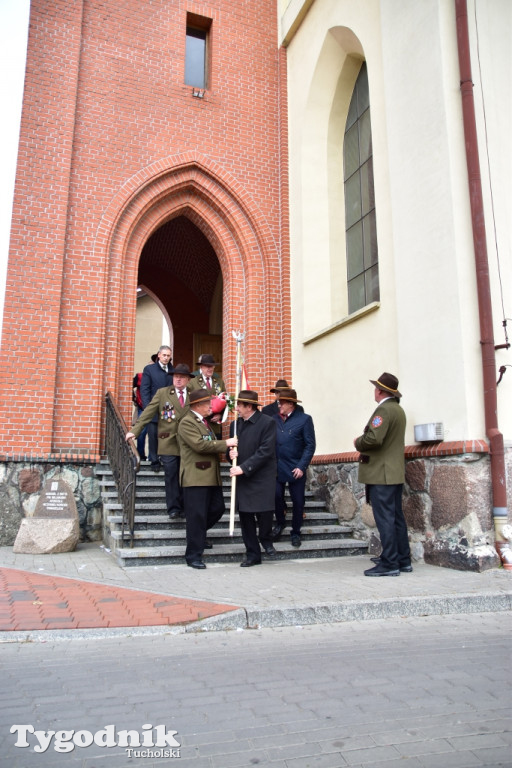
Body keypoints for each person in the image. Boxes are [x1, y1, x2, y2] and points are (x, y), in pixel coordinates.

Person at [353, 372, 412, 577]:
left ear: (380, 390)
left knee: (385, 518)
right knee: (396, 517)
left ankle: (389, 563)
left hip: (381, 473)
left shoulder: (384, 410)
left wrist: (358, 442)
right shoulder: (398, 409)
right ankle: (402, 559)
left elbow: (374, 439)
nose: (374, 391)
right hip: (393, 472)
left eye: (375, 388)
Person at [177, 388, 237, 569]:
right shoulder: (187, 422)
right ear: (197, 405)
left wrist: (229, 450)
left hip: (210, 476)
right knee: (196, 516)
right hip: (195, 477)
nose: (211, 407)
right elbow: (200, 445)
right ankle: (193, 555)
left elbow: (209, 444)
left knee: (217, 509)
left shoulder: (203, 422)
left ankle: (198, 536)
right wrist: (225, 443)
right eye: (208, 404)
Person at [126, 364, 195, 519]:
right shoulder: (163, 393)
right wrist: (134, 431)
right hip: (168, 442)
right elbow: (148, 413)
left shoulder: (194, 394)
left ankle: (184, 506)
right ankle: (173, 508)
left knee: (185, 475)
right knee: (171, 474)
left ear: (188, 380)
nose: (178, 379)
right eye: (175, 376)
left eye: (182, 377)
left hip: (188, 443)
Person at [229, 390, 277, 567]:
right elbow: (231, 453)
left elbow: (265, 451)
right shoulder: (235, 425)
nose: (237, 409)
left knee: (265, 514)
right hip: (243, 479)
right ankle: (252, 553)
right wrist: (231, 454)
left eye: (240, 406)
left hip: (262, 477)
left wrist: (244, 467)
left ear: (249, 406)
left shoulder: (268, 422)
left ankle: (265, 538)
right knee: (246, 517)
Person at [272, 388, 316, 548]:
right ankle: (280, 523)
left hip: (295, 468)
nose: (279, 405)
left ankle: (296, 531)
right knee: (276, 496)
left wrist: (302, 466)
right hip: (277, 467)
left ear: (291, 404)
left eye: (282, 402)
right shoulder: (274, 419)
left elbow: (310, 445)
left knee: (298, 501)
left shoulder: (304, 419)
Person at [140, 346, 174, 471]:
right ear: (159, 355)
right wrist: (147, 407)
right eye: (164, 355)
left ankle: (165, 459)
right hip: (153, 408)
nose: (166, 358)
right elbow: (145, 389)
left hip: (168, 409)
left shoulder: (173, 370)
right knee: (153, 435)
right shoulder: (150, 369)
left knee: (166, 434)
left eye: (168, 355)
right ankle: (154, 460)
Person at [189, 353, 227, 438]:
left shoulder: (219, 381)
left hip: (215, 425)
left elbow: (226, 400)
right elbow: (189, 403)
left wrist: (220, 415)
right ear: (201, 367)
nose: (210, 369)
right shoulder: (193, 382)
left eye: (212, 366)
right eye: (207, 366)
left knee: (216, 448)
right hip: (199, 424)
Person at [132, 370, 147, 460]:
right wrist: (133, 398)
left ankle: (154, 457)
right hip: (142, 408)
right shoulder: (140, 376)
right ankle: (140, 455)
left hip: (155, 408)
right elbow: (129, 386)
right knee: (142, 432)